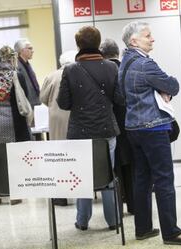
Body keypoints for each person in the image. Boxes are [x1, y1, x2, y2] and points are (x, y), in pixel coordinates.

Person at [119, 21, 181, 245]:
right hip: (153, 128)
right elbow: (172, 86)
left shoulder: (124, 63)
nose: (152, 39)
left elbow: (121, 95)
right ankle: (171, 232)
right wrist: (163, 88)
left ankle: (143, 228)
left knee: (142, 178)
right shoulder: (145, 64)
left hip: (133, 128)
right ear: (134, 41)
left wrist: (157, 88)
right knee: (164, 179)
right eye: (147, 36)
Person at [57, 26, 124, 231]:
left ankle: (83, 220)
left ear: (79, 45)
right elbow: (120, 99)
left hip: (79, 133)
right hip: (106, 130)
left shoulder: (70, 70)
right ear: (98, 43)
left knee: (81, 177)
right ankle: (113, 221)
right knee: (107, 175)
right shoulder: (112, 67)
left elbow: (63, 103)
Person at [0, 45, 32, 206]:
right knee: (15, 157)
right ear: (12, 59)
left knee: (0, 157)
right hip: (15, 121)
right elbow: (24, 97)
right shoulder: (16, 75)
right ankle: (14, 194)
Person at [100, 38, 135, 215]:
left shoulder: (104, 71)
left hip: (111, 125)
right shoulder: (127, 68)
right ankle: (134, 205)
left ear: (102, 53)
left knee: (114, 168)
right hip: (130, 124)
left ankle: (117, 209)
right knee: (131, 166)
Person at [40, 50, 76, 206]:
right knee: (77, 154)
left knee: (59, 156)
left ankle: (60, 196)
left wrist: (53, 105)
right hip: (74, 116)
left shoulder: (51, 76)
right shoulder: (78, 73)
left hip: (57, 118)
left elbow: (42, 97)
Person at [14, 38, 41, 109]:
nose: (33, 51)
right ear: (21, 50)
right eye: (30, 48)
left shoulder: (27, 64)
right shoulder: (16, 66)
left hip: (32, 102)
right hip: (26, 104)